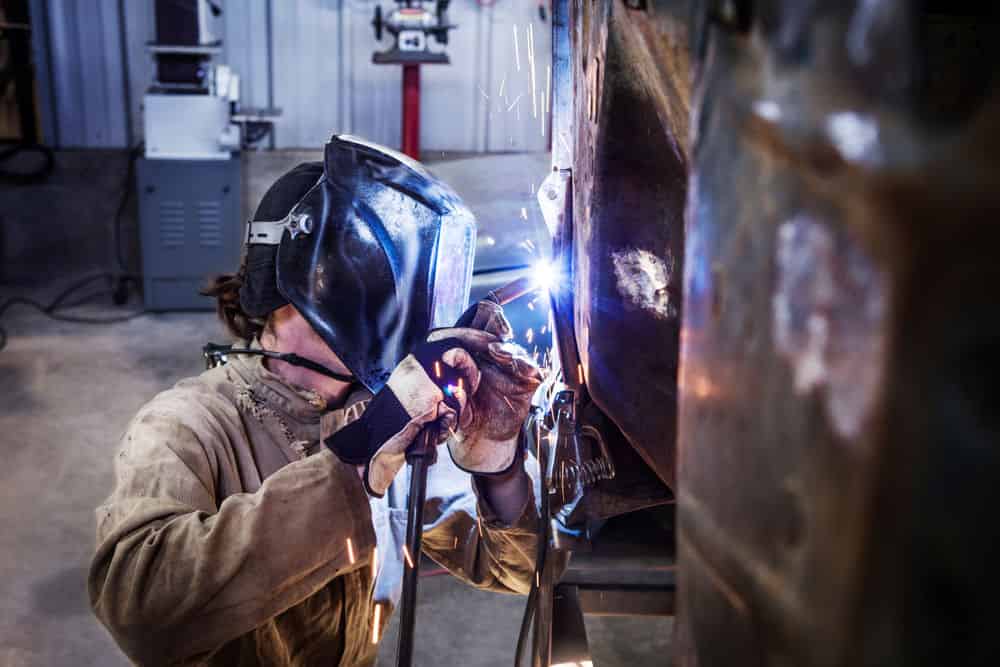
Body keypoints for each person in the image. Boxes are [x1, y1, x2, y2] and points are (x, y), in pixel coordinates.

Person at [88, 136, 543, 666]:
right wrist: (357, 460)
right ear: (330, 285)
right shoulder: (187, 425)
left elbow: (517, 569)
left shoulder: (392, 418)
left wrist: (496, 462)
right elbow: (142, 612)